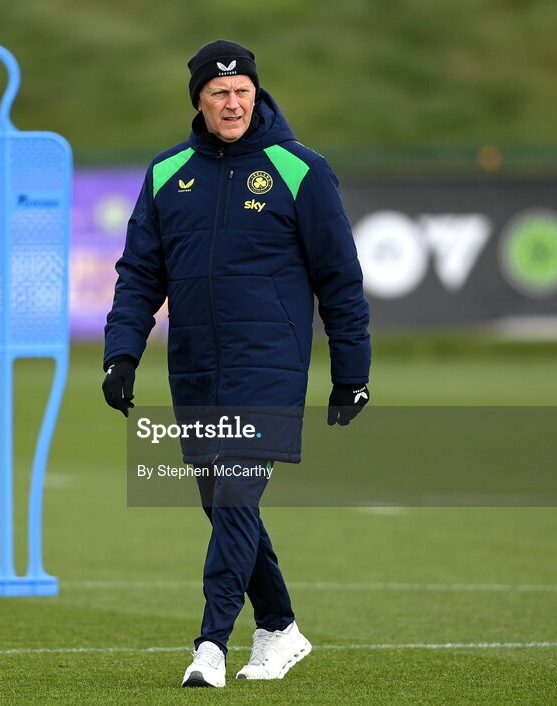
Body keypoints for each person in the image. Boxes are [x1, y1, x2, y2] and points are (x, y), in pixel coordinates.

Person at [102, 39, 371, 688]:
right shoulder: (169, 174)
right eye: (219, 93)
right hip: (195, 369)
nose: (233, 103)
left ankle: (211, 646)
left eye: (243, 91)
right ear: (198, 99)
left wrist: (351, 373)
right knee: (226, 507)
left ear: (258, 94)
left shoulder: (300, 170)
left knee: (236, 496)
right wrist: (122, 354)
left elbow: (340, 278)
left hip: (269, 368)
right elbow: (140, 274)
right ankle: (280, 628)